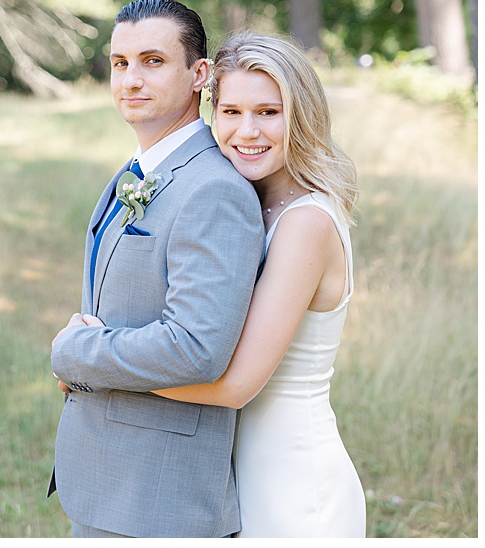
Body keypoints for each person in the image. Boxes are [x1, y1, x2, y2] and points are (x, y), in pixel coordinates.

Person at [80, 32, 366, 536]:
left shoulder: (306, 223)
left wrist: (93, 362)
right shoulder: (247, 202)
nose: (246, 131)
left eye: (268, 112)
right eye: (230, 112)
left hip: (291, 485)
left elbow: (234, 386)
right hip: (230, 473)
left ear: (302, 116)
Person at [48, 0, 264, 538]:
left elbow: (196, 347)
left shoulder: (213, 189)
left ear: (199, 74)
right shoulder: (138, 170)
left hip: (158, 495)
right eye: (120, 63)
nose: (130, 79)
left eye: (152, 61)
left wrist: (76, 356)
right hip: (108, 475)